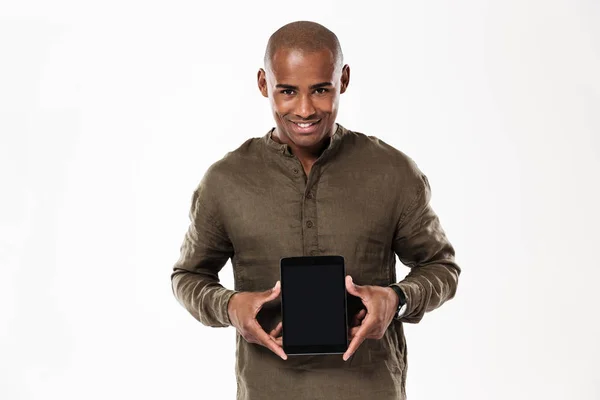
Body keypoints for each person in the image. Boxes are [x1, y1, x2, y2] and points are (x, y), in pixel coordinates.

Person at [170, 20, 460, 400]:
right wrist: (228, 306)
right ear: (263, 84)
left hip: (370, 389)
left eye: (321, 90)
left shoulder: (392, 172)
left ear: (343, 79)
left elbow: (441, 267)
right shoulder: (226, 180)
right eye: (287, 91)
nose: (305, 110)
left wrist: (398, 299)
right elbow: (188, 276)